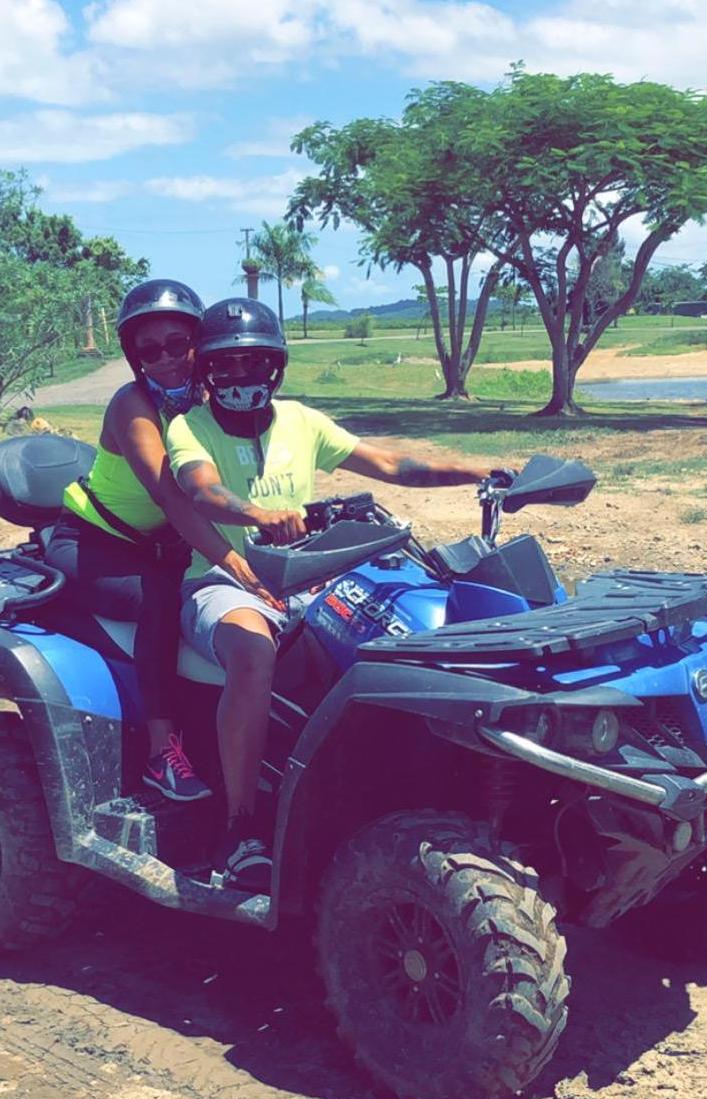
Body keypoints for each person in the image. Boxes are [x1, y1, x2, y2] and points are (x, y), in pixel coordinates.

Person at [166, 298, 486, 891]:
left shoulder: (301, 422)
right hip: (219, 579)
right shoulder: (190, 428)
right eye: (227, 366)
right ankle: (240, 828)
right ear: (207, 372)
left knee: (405, 626)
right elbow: (201, 491)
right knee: (253, 652)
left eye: (254, 363)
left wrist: (478, 472)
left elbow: (390, 462)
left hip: (308, 577)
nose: (241, 378)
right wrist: (258, 514)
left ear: (277, 367)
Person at [46, 280, 277, 805]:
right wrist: (238, 565)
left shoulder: (209, 400)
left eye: (178, 344)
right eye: (149, 350)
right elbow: (175, 498)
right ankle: (160, 755)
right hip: (93, 541)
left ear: (201, 343)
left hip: (164, 544)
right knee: (160, 601)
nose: (166, 359)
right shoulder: (132, 406)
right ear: (135, 358)